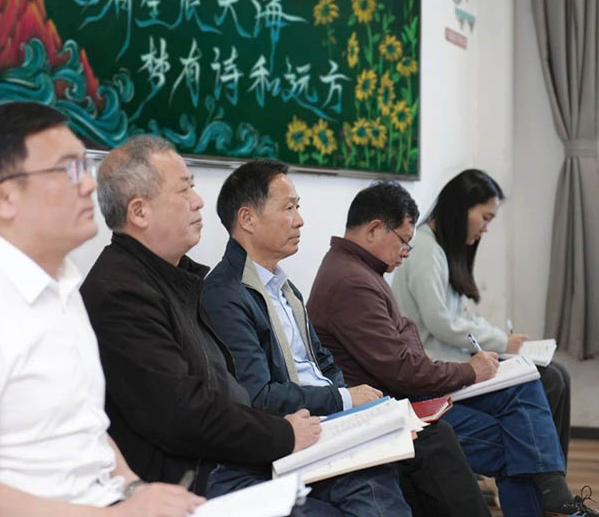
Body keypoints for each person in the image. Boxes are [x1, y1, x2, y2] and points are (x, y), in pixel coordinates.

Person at [0, 103, 203, 517]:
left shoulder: (63, 286)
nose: (89, 185)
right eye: (67, 170)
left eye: (84, 167)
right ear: (4, 198)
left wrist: (135, 490)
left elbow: (86, 431)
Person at [203, 160, 489, 517]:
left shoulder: (283, 286)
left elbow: (322, 361)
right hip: (297, 431)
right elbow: (259, 396)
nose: (300, 220)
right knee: (389, 468)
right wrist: (344, 400)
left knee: (430, 438)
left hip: (329, 419)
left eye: (298, 207)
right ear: (247, 219)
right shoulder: (226, 294)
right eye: (289, 208)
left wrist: (352, 408)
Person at [306, 180, 596, 517]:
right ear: (374, 229)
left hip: (412, 390)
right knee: (520, 444)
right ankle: (555, 498)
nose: (406, 252)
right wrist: (470, 370)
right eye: (403, 241)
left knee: (525, 387)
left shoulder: (359, 271)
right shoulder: (353, 282)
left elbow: (408, 348)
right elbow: (404, 367)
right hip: (399, 407)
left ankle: (555, 495)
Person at [80, 135, 331, 515]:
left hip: (225, 456)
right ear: (140, 212)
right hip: (194, 478)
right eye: (184, 190)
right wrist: (283, 432)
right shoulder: (121, 293)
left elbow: (223, 393)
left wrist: (283, 425)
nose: (198, 201)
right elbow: (183, 414)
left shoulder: (172, 278)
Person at [390, 169, 571, 461]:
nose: (485, 229)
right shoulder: (425, 249)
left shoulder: (442, 248)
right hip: (439, 369)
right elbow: (442, 322)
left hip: (456, 359)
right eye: (485, 218)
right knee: (549, 379)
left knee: (558, 374)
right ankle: (542, 475)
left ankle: (552, 474)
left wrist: (502, 340)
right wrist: (503, 343)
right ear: (461, 208)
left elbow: (462, 316)